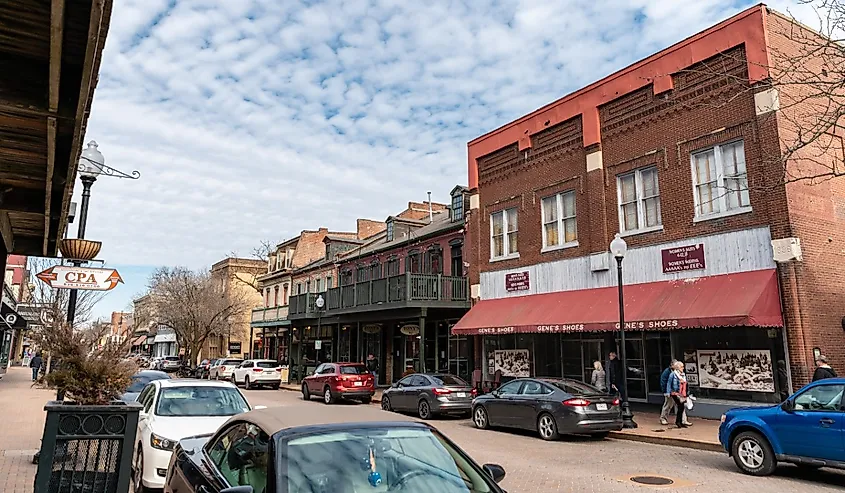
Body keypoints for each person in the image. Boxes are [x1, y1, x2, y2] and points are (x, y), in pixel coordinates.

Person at [667, 361, 689, 428]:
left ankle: (680, 422)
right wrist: (668, 392)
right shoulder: (672, 374)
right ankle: (678, 422)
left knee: (681, 407)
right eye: (682, 367)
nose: (683, 368)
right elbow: (669, 383)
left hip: (682, 393)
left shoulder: (683, 374)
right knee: (680, 406)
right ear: (678, 367)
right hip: (675, 393)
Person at [659, 361, 678, 426]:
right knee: (668, 405)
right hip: (670, 391)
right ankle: (663, 418)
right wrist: (666, 391)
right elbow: (663, 382)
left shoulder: (678, 371)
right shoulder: (667, 372)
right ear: (671, 365)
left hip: (677, 391)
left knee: (681, 405)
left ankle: (683, 420)